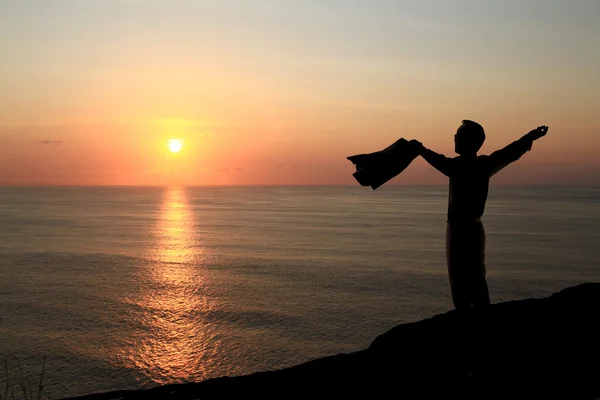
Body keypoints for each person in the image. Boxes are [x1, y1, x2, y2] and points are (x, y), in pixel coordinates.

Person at [410, 121, 548, 310]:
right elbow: (510, 152)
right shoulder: (467, 165)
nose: (454, 137)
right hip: (461, 230)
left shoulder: (472, 166)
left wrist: (530, 137)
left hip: (466, 231)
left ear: (469, 141)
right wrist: (531, 136)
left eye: (458, 134)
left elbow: (510, 152)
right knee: (463, 281)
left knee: (470, 280)